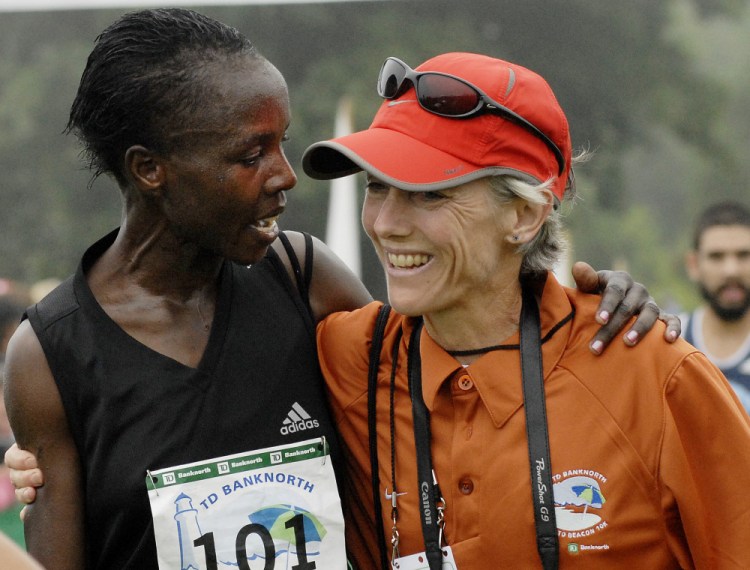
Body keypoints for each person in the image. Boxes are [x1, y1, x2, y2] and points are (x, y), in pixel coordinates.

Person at [3, 10, 679, 570]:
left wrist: (568, 291)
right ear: (151, 170)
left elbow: (451, 359)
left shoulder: (305, 279)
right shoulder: (49, 356)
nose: (285, 175)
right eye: (249, 155)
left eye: (282, 144)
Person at [300, 53, 750, 568]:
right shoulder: (348, 359)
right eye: (377, 186)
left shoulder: (650, 373)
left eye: (428, 194)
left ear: (524, 214)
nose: (386, 223)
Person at [682, 201, 750, 412]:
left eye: (744, 255)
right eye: (716, 256)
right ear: (694, 265)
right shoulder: (670, 340)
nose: (731, 270)